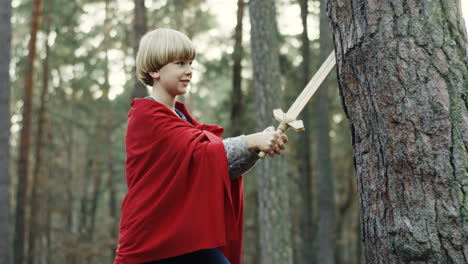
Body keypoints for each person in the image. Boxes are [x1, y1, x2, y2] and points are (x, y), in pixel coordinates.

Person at [114, 28, 288, 264]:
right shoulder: (146, 117)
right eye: (180, 63)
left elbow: (218, 169)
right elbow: (205, 153)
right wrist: (251, 140)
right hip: (151, 239)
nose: (189, 71)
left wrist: (255, 150)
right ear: (155, 70)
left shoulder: (182, 120)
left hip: (182, 236)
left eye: (190, 64)